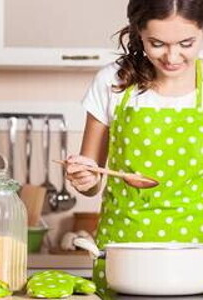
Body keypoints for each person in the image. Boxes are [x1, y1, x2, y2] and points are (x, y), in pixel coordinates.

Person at [65, 0, 203, 297]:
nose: (172, 56)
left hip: (197, 253)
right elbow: (91, 179)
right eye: (157, 43)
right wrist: (84, 177)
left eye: (186, 43)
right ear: (139, 32)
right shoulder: (112, 81)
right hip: (124, 253)